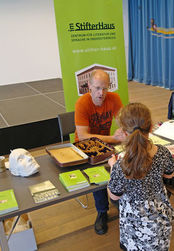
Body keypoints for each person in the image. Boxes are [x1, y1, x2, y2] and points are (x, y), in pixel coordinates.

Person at [107, 103, 174, 250]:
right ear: (151, 128)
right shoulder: (163, 152)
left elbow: (114, 196)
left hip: (133, 223)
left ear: (124, 133)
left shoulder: (121, 165)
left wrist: (113, 166)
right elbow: (169, 174)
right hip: (160, 218)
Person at [75, 69, 125, 235]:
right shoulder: (82, 103)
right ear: (89, 86)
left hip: (106, 145)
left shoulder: (115, 98)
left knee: (124, 164)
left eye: (105, 88)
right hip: (85, 148)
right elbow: (83, 136)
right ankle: (102, 212)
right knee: (97, 174)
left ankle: (120, 202)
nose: (101, 93)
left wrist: (126, 133)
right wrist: (113, 138)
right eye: (97, 88)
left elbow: (124, 123)